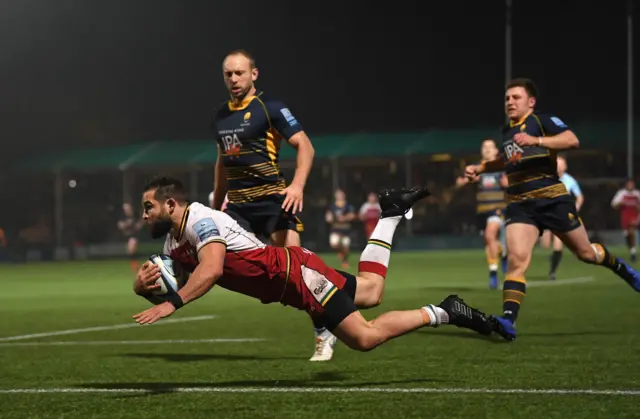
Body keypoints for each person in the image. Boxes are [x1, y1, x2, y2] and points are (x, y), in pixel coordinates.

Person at [132, 177, 493, 350]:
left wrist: (171, 305)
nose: (144, 215)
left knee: (364, 338)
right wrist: (141, 287)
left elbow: (209, 270)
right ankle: (392, 214)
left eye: (148, 206)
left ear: (171, 204)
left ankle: (446, 311)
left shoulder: (200, 220)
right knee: (371, 290)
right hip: (294, 278)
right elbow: (175, 279)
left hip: (299, 276)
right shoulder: (172, 240)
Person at [464, 78, 640, 341]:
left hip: (552, 200)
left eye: (516, 97)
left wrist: (536, 139)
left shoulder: (542, 121)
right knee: (516, 260)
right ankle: (508, 322)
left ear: (531, 102)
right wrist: (481, 167)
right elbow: (506, 161)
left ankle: (625, 270)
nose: (510, 102)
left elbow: (572, 140)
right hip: (520, 203)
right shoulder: (507, 132)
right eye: (507, 98)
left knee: (586, 254)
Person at [210, 49, 334, 360]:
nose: (234, 79)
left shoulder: (270, 108)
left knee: (298, 270)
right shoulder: (221, 117)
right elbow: (222, 163)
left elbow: (305, 146)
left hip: (273, 203)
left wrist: (297, 185)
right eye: (229, 74)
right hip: (237, 207)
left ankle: (324, 328)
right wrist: (215, 203)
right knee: (216, 259)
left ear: (254, 74)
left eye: (240, 73)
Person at [456, 139, 508, 289]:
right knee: (489, 241)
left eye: (490, 147)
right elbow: (467, 180)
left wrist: (508, 181)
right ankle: (503, 253)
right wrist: (464, 181)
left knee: (490, 235)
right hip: (482, 211)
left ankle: (493, 274)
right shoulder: (479, 167)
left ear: (496, 150)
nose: (486, 150)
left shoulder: (500, 167)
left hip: (497, 209)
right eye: (484, 147)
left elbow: (508, 183)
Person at [540, 155, 584, 279]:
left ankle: (552, 272)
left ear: (565, 167)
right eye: (556, 164)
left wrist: (574, 210)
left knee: (558, 246)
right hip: (547, 215)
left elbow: (580, 197)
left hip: (562, 217)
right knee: (545, 244)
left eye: (561, 164)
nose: (558, 167)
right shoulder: (546, 179)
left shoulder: (570, 180)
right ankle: (553, 257)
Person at [326, 189, 356, 269]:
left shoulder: (348, 206)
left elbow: (352, 215)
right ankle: (340, 253)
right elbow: (328, 216)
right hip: (336, 229)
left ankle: (345, 261)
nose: (339, 196)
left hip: (345, 229)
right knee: (334, 244)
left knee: (346, 247)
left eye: (341, 194)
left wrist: (344, 218)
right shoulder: (332, 206)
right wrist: (330, 218)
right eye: (338, 194)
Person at [611, 179, 640, 262]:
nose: (630, 186)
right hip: (624, 217)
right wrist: (620, 203)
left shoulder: (637, 194)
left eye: (632, 184)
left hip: (634, 216)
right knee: (627, 235)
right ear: (626, 185)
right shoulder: (621, 194)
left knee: (631, 232)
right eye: (629, 184)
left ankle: (633, 253)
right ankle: (632, 251)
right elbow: (614, 205)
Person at [117, 203, 142, 272]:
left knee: (132, 247)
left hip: (134, 235)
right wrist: (125, 225)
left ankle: (135, 267)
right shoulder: (122, 216)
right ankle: (135, 266)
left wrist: (138, 225)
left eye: (127, 208)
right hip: (126, 236)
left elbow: (140, 223)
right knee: (131, 252)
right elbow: (120, 225)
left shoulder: (135, 215)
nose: (126, 210)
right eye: (125, 209)